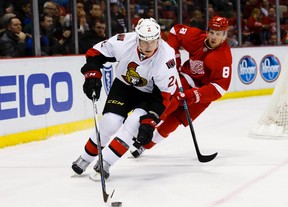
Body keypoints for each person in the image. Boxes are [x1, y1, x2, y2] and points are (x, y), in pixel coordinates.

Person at [72, 18, 178, 179]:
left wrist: (151, 120)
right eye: (144, 41)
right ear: (137, 38)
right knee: (110, 122)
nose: (148, 46)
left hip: (149, 95)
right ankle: (85, 158)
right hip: (123, 87)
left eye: (153, 41)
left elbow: (163, 97)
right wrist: (92, 73)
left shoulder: (166, 59)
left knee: (133, 124)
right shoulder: (123, 41)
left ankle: (106, 162)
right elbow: (95, 53)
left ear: (159, 39)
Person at [130, 16, 233, 158]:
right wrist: (175, 58)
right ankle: (145, 128)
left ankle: (145, 145)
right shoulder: (196, 37)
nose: (214, 37)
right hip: (186, 78)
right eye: (212, 32)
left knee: (176, 121)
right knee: (171, 102)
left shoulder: (223, 58)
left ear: (225, 35)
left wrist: (193, 95)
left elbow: (219, 88)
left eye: (219, 34)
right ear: (207, 31)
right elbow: (175, 31)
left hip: (203, 93)